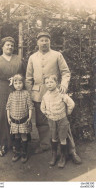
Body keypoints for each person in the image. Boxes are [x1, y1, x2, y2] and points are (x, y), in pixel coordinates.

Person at [26, 31, 81, 165]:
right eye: (41, 40)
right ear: (37, 42)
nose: (44, 42)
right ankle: (46, 145)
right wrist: (30, 94)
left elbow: (65, 72)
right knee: (41, 122)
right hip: (39, 94)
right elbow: (28, 78)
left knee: (62, 123)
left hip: (56, 94)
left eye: (46, 40)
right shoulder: (32, 57)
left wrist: (63, 84)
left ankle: (71, 150)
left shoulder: (57, 55)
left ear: (50, 41)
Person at [0, 37, 24, 157]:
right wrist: (0, 83)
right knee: (2, 116)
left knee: (16, 115)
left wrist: (17, 79)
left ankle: (15, 143)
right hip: (2, 90)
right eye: (7, 45)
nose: (10, 47)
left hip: (16, 90)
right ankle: (4, 143)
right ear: (2, 46)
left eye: (12, 45)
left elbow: (25, 74)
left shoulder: (19, 59)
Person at [41, 75, 80, 168]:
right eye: (47, 83)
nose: (49, 84)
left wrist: (68, 112)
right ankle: (54, 155)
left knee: (63, 138)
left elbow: (71, 103)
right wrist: (46, 113)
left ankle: (63, 157)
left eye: (51, 82)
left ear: (57, 83)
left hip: (62, 120)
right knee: (54, 138)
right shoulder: (45, 96)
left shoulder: (61, 94)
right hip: (52, 120)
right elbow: (42, 107)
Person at [6, 74, 33, 163]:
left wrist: (29, 116)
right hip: (14, 120)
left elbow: (30, 106)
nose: (18, 85)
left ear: (23, 83)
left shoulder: (26, 93)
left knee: (23, 135)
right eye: (16, 83)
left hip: (23, 119)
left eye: (20, 83)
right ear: (13, 84)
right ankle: (17, 152)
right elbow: (8, 107)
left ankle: (24, 153)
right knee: (16, 136)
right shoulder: (11, 94)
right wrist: (8, 118)